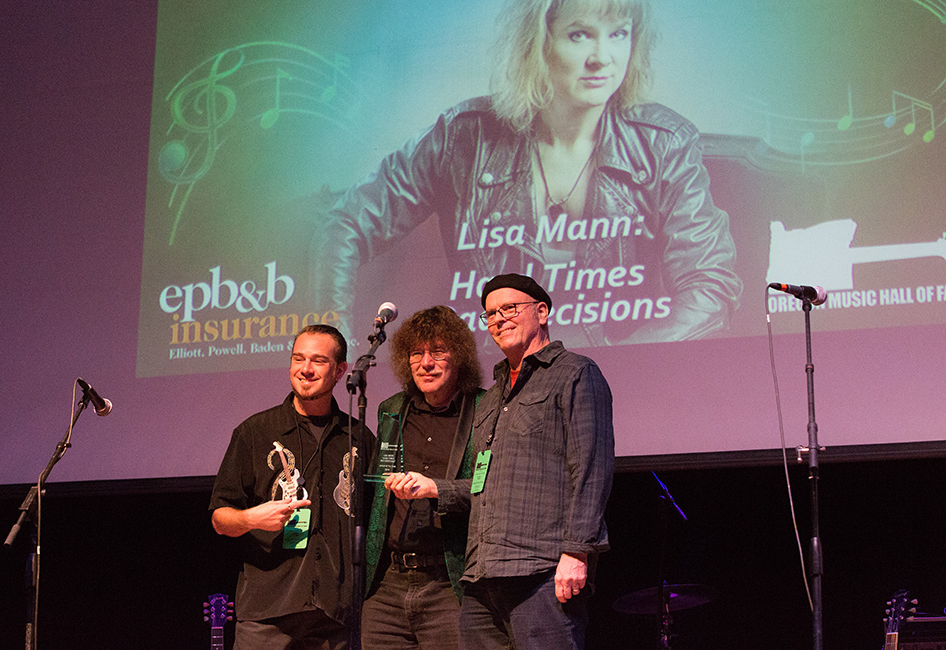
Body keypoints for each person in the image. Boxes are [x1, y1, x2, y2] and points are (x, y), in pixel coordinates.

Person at [312, 0, 742, 349]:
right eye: (580, 34)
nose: (601, 57)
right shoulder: (466, 137)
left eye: (618, 34)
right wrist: (334, 342)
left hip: (617, 391)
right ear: (538, 43)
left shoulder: (664, 143)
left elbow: (709, 283)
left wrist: (632, 362)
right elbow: (345, 224)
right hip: (492, 390)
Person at [459, 273, 614, 649]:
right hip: (482, 574)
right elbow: (485, 479)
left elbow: (592, 469)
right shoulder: (492, 395)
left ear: (541, 312)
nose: (498, 319)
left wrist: (577, 552)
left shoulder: (575, 372)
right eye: (490, 314)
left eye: (509, 308)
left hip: (542, 571)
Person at [209, 324, 373, 650]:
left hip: (336, 615)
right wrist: (252, 519)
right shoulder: (254, 432)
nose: (305, 369)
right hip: (267, 613)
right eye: (298, 359)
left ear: (340, 371)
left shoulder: (359, 438)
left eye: (318, 361)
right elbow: (219, 518)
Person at [361, 306, 484, 649]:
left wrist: (436, 489)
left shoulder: (484, 409)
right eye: (417, 353)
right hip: (388, 585)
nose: (426, 363)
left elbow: (493, 490)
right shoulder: (391, 408)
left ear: (458, 357)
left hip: (451, 582)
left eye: (438, 352)